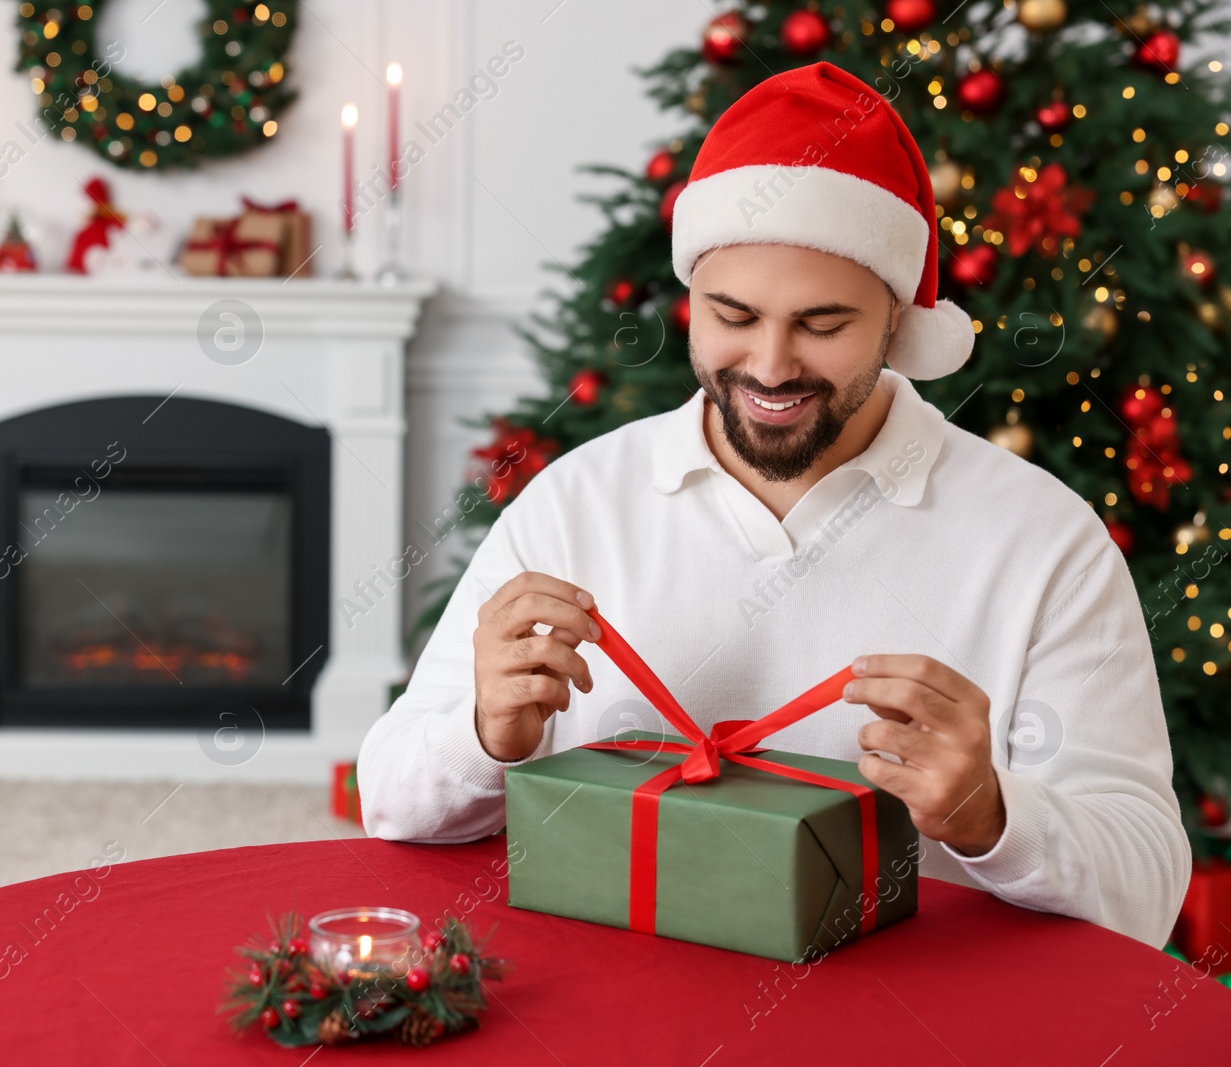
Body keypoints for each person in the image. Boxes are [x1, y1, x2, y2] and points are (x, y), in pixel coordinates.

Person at [357, 61, 1191, 949]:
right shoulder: (575, 503)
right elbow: (391, 801)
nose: (770, 365)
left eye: (823, 324)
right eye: (732, 314)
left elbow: (1145, 892)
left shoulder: (1042, 539)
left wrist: (992, 812)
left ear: (899, 320)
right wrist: (485, 734)